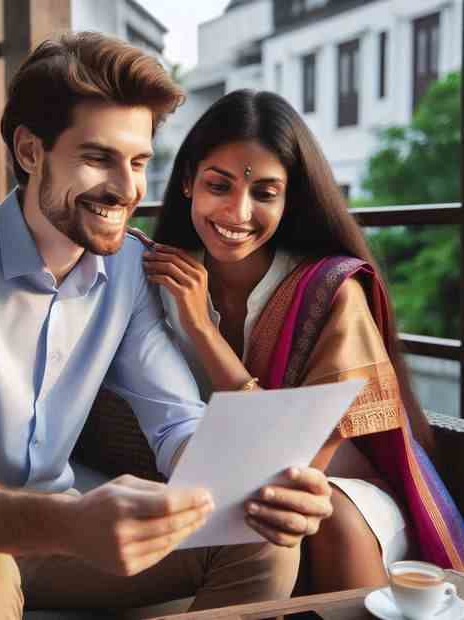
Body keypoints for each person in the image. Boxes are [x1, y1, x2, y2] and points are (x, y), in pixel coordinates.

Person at [0, 35, 334, 620]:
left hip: (57, 536)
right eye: (98, 157)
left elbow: (176, 421)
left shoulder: (130, 269)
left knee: (265, 538)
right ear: (30, 151)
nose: (126, 189)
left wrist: (256, 482)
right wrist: (69, 522)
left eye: (138, 162)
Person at [143, 89, 464, 594]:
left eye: (264, 193)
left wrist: (204, 333)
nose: (237, 212)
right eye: (218, 185)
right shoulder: (161, 279)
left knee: (318, 516)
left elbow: (290, 462)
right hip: (215, 482)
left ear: (291, 198)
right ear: (187, 182)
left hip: (331, 490)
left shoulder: (330, 292)